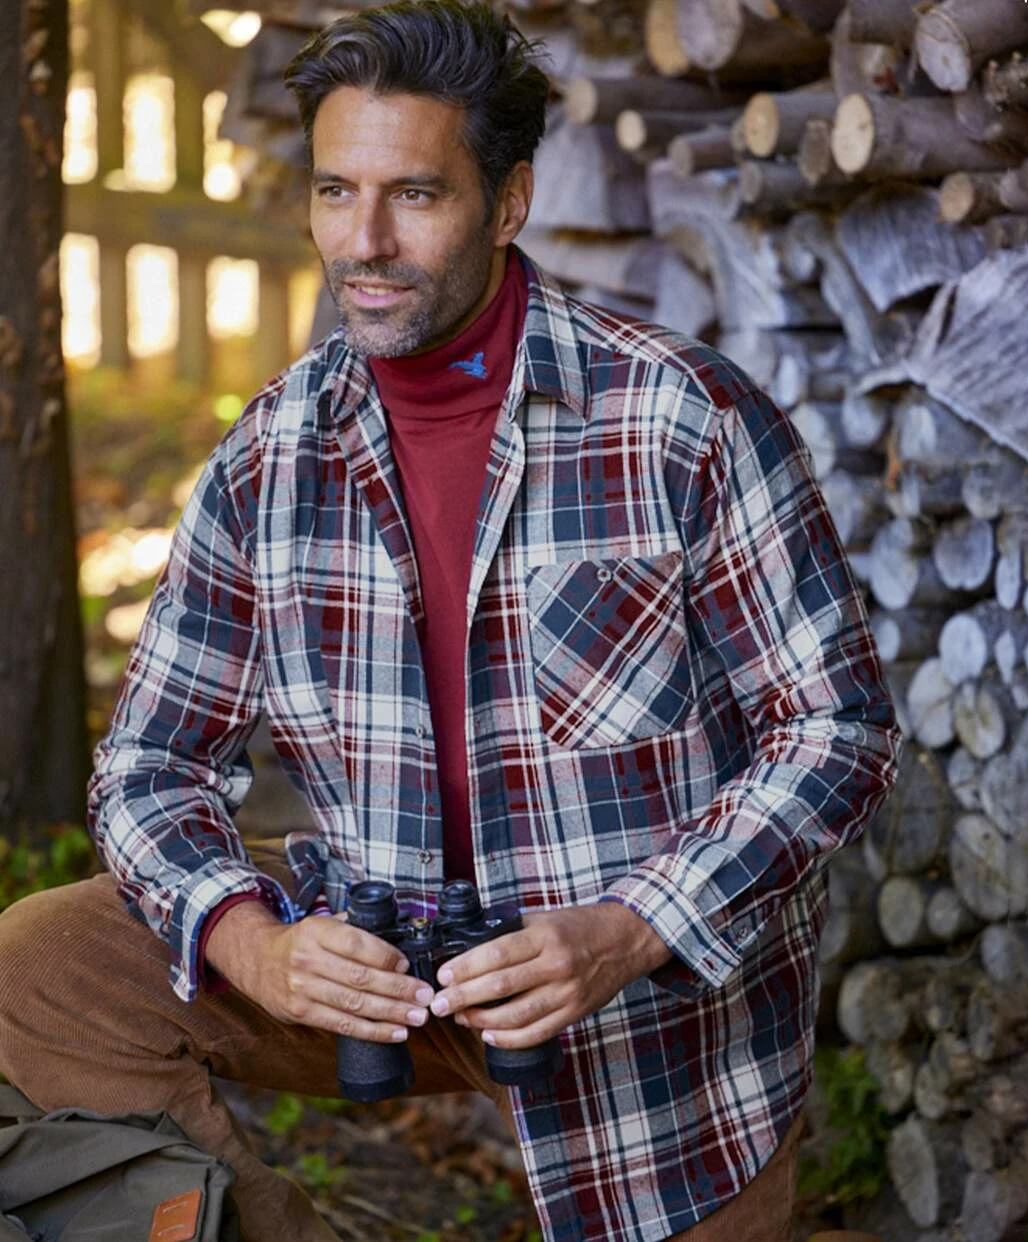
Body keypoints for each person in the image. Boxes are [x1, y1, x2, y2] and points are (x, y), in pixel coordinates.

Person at [0, 3, 901, 1239]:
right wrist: (256, 946)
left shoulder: (683, 419)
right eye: (336, 191)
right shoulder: (269, 458)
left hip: (647, 1022)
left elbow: (839, 732)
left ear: (510, 200)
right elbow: (150, 764)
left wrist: (631, 929)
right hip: (378, 961)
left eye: (415, 195)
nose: (363, 242)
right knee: (42, 968)